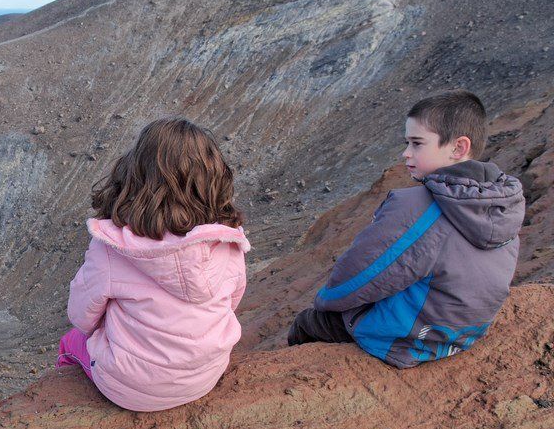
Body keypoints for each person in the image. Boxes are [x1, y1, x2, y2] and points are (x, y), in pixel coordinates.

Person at [288, 89, 525, 367]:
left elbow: (363, 274)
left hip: (408, 340)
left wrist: (325, 302)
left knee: (308, 322)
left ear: (458, 148)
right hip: (462, 334)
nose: (405, 153)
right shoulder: (502, 203)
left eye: (416, 143)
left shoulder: (417, 206)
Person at [56, 117, 250, 411]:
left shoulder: (112, 247)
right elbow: (231, 302)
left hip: (129, 388)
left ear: (135, 178)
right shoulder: (227, 242)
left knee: (70, 343)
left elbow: (81, 316)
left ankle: (63, 404)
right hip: (205, 375)